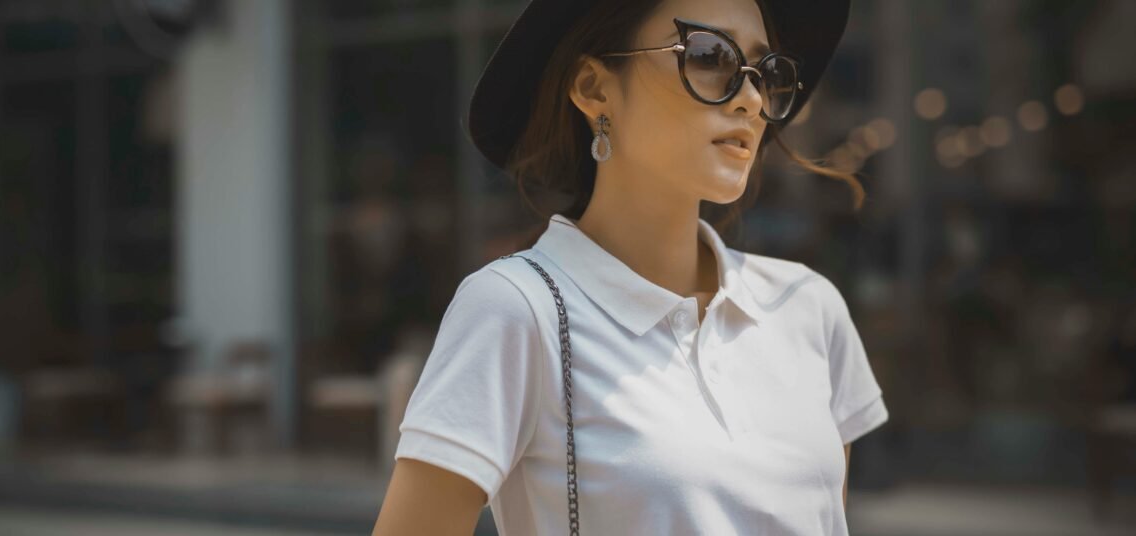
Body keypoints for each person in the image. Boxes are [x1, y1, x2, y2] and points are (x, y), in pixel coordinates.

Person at [373, 0, 888, 534]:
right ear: (594, 88)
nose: (752, 100)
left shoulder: (808, 307)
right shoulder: (519, 310)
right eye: (711, 57)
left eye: (768, 73)